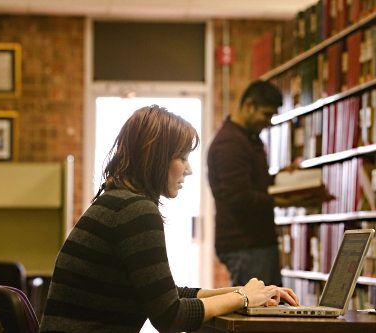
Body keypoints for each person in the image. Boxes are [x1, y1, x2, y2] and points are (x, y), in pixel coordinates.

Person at [39, 105, 299, 333]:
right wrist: (243, 297)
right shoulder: (135, 210)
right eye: (182, 157)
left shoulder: (117, 200)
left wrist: (245, 292)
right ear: (156, 157)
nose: (189, 169)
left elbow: (167, 294)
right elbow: (170, 317)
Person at [208, 80, 300, 287]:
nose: (268, 122)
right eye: (266, 114)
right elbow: (238, 196)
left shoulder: (249, 139)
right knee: (259, 313)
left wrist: (282, 179)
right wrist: (279, 200)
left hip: (254, 243)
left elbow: (255, 185)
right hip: (245, 244)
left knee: (268, 310)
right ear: (249, 106)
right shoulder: (230, 144)